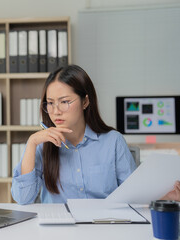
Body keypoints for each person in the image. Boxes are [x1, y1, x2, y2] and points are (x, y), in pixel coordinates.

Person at [11, 65, 180, 204]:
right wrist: (32, 143)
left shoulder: (113, 141)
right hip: (60, 231)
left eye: (64, 102)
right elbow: (23, 199)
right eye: (50, 103)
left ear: (85, 101)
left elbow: (133, 195)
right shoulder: (43, 145)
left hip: (105, 227)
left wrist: (166, 196)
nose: (56, 111)